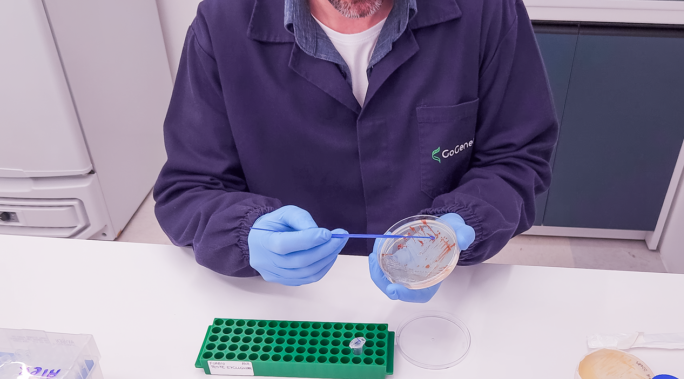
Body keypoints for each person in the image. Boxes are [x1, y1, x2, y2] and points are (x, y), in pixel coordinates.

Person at [154, 0, 558, 302]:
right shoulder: (223, 20)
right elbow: (189, 189)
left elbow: (516, 159)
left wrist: (460, 225)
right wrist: (244, 235)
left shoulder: (485, 10)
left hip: (442, 297)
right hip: (290, 305)